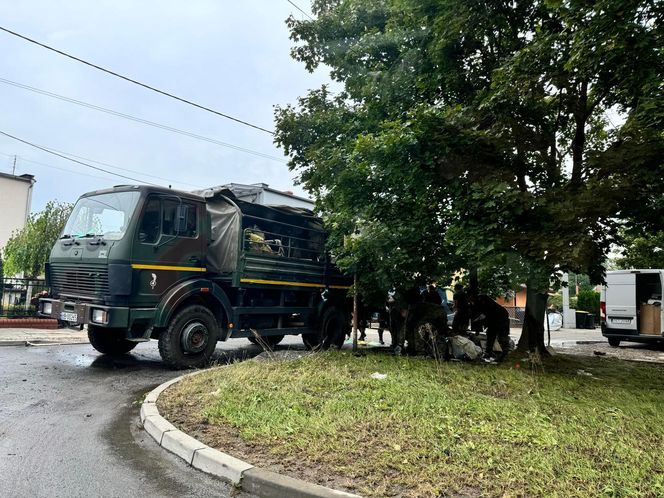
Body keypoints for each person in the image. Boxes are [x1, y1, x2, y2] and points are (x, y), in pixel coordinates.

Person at [469, 294, 510, 361]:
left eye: (471, 301)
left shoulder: (483, 303)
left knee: (502, 336)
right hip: (495, 319)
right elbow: (483, 317)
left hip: (500, 318)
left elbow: (483, 317)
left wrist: (478, 328)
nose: (471, 303)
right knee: (490, 334)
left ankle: (505, 354)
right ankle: (488, 352)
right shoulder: (483, 303)